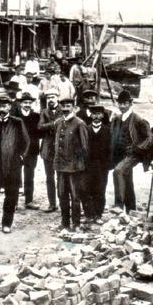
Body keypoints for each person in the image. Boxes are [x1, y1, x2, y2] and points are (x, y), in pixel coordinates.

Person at [0, 96, 30, 235]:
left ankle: (6, 223)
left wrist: (20, 157)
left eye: (5, 106)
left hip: (12, 165)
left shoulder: (17, 122)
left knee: (11, 195)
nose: (1, 109)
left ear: (9, 107)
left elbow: (26, 142)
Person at [110, 90, 153, 213]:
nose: (122, 106)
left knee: (118, 171)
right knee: (126, 180)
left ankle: (118, 205)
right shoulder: (116, 119)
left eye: (125, 103)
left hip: (132, 155)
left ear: (130, 104)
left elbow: (149, 137)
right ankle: (131, 210)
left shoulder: (138, 119)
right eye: (120, 103)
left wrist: (138, 148)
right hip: (119, 155)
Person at [53, 98, 89, 231]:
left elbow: (85, 148)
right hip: (60, 166)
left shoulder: (80, 124)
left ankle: (76, 224)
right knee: (62, 195)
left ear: (73, 107)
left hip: (74, 167)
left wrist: (80, 165)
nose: (65, 108)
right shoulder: (58, 123)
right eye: (63, 106)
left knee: (75, 196)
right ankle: (65, 223)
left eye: (68, 106)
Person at [83, 105, 111, 224]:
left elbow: (110, 149)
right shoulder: (86, 129)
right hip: (88, 165)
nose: (96, 116)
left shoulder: (107, 130)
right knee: (86, 189)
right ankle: (89, 215)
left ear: (103, 115)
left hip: (101, 166)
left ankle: (98, 214)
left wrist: (108, 165)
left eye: (99, 114)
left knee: (100, 189)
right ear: (90, 115)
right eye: (94, 114)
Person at [13, 92, 41, 210]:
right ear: (20, 103)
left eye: (30, 103)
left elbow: (39, 133)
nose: (27, 105)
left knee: (29, 176)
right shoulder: (15, 116)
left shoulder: (36, 116)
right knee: (15, 176)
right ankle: (13, 202)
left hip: (32, 150)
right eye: (25, 102)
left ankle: (28, 201)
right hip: (17, 150)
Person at [37, 88, 63, 213]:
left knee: (62, 177)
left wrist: (53, 124)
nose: (50, 100)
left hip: (61, 148)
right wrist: (54, 123)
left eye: (53, 97)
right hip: (47, 148)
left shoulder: (64, 110)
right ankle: (52, 204)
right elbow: (40, 127)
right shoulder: (44, 112)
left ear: (58, 97)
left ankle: (63, 202)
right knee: (49, 177)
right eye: (48, 98)